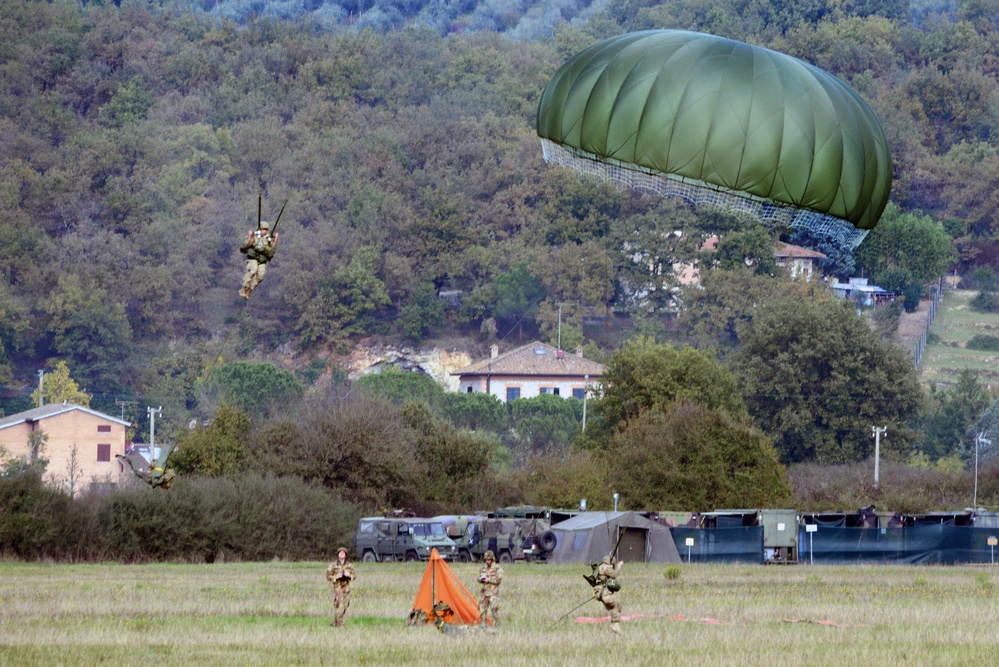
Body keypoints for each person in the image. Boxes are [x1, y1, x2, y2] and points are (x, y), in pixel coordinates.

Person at [239, 219, 279, 299]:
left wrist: (276, 239)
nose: (264, 231)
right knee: (253, 270)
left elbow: (272, 248)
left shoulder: (269, 238)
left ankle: (249, 290)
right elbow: (246, 245)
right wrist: (250, 237)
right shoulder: (255, 236)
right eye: (263, 229)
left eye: (266, 230)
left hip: (262, 260)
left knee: (260, 276)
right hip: (253, 258)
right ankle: (244, 288)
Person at [592, 554, 624, 635]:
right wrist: (619, 567)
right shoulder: (606, 568)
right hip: (605, 594)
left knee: (615, 607)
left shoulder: (601, 567)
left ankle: (615, 626)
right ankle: (615, 625)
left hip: (601, 593)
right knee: (616, 605)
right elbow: (615, 574)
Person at [325, 547, 356, 627]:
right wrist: (336, 577)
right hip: (338, 587)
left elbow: (354, 576)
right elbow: (328, 576)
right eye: (340, 553)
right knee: (339, 605)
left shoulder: (349, 565)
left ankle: (335, 622)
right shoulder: (333, 565)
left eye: (343, 553)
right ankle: (340, 623)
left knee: (346, 604)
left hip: (346, 587)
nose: (341, 554)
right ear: (338, 555)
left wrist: (349, 575)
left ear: (346, 555)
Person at [476, 549, 504, 626]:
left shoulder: (497, 568)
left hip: (493, 594)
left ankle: (495, 626)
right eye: (486, 560)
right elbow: (478, 578)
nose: (487, 561)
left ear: (492, 559)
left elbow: (499, 579)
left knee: (494, 611)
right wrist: (481, 579)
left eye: (489, 560)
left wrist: (489, 580)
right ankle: (483, 626)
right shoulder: (483, 569)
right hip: (484, 594)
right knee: (482, 611)